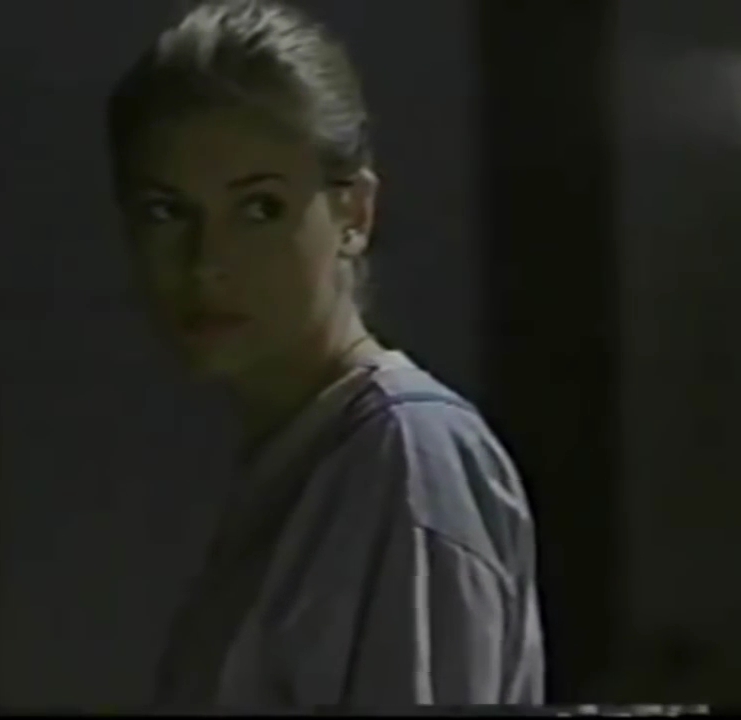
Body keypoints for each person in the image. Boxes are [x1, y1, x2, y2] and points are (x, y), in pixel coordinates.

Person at [106, 0, 544, 708]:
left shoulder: (404, 456)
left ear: (353, 213)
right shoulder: (306, 460)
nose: (207, 264)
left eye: (261, 209)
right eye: (168, 211)